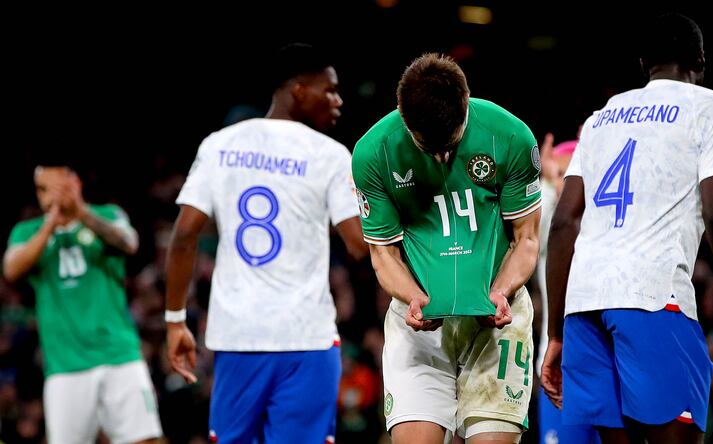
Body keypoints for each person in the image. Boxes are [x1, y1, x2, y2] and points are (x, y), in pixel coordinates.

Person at [541, 13, 713, 444]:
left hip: (585, 306)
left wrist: (556, 332)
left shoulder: (601, 117)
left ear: (644, 63)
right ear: (700, 59)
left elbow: (564, 221)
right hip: (654, 298)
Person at [165, 43, 367, 444]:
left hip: (239, 337)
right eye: (328, 90)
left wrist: (174, 322)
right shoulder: (330, 155)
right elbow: (360, 246)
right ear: (297, 91)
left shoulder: (219, 144)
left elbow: (185, 234)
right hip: (306, 340)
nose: (338, 100)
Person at [352, 53, 542, 444]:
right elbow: (382, 253)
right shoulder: (373, 153)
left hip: (497, 319)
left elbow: (526, 238)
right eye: (428, 146)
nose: (441, 156)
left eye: (450, 141)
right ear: (404, 119)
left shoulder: (510, 136)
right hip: (419, 324)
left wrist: (501, 291)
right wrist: (411, 296)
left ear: (466, 104)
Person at [3, 162, 162, 444]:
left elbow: (129, 242)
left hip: (118, 354)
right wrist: (51, 224)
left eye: (53, 187)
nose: (46, 197)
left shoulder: (107, 215)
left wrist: (81, 214)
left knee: (145, 439)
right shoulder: (27, 232)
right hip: (65, 365)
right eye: (41, 190)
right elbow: (12, 269)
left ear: (75, 183)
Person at [533, 134, 599, 444]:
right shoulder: (546, 230)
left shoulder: (602, 224)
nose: (564, 185)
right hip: (558, 376)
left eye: (570, 176)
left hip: (604, 369)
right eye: (559, 176)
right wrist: (544, 182)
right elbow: (544, 221)